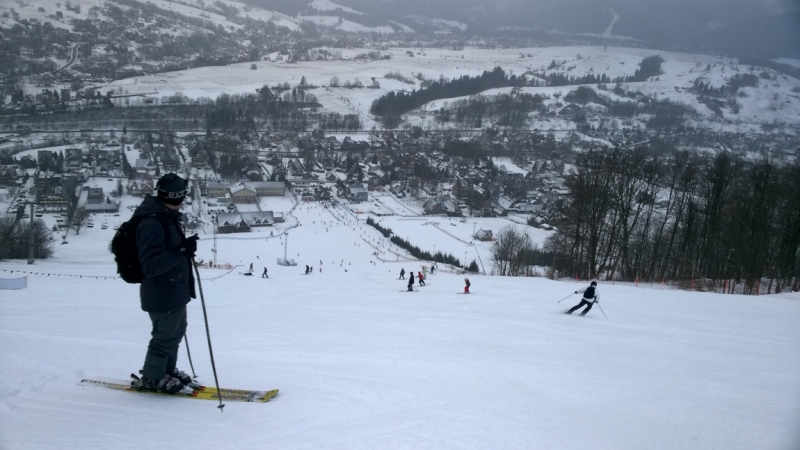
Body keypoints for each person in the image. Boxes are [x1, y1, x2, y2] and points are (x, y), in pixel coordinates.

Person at [131, 173, 198, 394]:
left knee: (176, 334)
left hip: (175, 290)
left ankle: (166, 370)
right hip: (162, 292)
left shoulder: (167, 216)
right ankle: (153, 377)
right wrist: (181, 251)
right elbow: (150, 266)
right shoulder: (152, 222)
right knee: (164, 338)